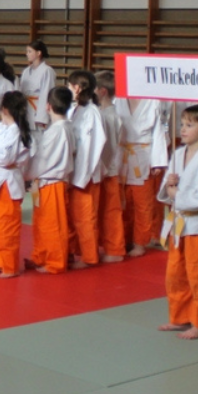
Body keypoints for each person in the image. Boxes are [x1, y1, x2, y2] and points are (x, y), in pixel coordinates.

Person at [157, 104, 198, 340]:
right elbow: (167, 190)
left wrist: (177, 193)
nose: (183, 129)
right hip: (178, 223)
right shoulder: (177, 154)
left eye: (189, 125)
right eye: (182, 124)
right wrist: (169, 185)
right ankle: (180, 316)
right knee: (175, 273)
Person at [0, 90, 33, 279]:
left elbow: (5, 157)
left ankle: (10, 266)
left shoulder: (15, 131)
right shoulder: (4, 128)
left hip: (8, 182)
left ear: (6, 109)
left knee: (7, 227)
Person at [26, 86, 75, 274]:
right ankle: (41, 255)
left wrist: (27, 174)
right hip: (47, 182)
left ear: (48, 106)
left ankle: (55, 261)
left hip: (52, 182)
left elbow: (43, 160)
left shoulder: (58, 130)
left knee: (53, 225)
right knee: (41, 222)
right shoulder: (63, 127)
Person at [116, 96, 169, 257]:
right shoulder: (118, 100)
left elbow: (158, 133)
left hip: (143, 156)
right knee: (124, 202)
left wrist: (158, 162)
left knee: (143, 204)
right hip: (121, 156)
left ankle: (140, 242)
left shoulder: (153, 101)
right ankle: (125, 239)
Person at [67, 70, 106, 269]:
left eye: (69, 85)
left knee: (86, 217)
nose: (67, 88)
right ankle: (75, 250)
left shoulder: (92, 112)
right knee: (74, 216)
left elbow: (93, 146)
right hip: (74, 170)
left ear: (77, 88)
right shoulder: (76, 109)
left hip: (86, 173)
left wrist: (83, 175)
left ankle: (89, 256)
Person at [95, 71, 126, 263]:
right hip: (105, 169)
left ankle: (115, 249)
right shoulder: (104, 114)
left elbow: (109, 147)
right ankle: (108, 244)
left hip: (108, 170)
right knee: (104, 211)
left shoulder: (110, 116)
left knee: (111, 211)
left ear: (102, 91)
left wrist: (103, 168)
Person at [20, 40, 57, 132]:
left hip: (37, 109)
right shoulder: (26, 71)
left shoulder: (47, 71)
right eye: (27, 51)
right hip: (26, 108)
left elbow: (46, 94)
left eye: (30, 51)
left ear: (38, 53)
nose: (27, 54)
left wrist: (42, 118)